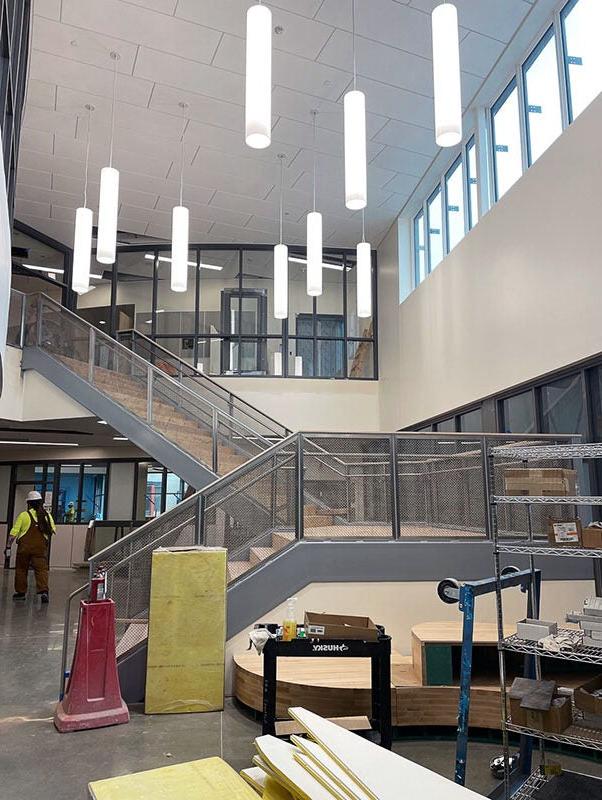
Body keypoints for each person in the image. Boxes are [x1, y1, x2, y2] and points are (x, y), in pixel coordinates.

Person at [7, 490, 56, 602]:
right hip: (40, 548)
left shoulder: (24, 515)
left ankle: (21, 593)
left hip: (24, 548)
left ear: (28, 503)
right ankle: (44, 592)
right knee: (41, 570)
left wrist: (8, 546)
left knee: (21, 569)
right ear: (40, 502)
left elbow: (13, 533)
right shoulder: (47, 515)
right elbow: (53, 530)